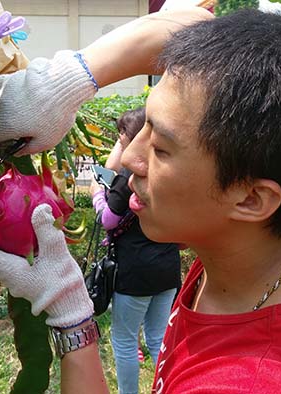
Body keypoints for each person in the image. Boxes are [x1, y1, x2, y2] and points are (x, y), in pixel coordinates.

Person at [0, 7, 281, 393]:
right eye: (144, 123)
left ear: (251, 198)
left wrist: (72, 317)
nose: (131, 159)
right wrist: (105, 58)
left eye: (162, 149)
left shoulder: (249, 383)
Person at [89, 107, 181, 394]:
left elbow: (108, 220)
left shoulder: (130, 178)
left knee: (125, 341)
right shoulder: (171, 172)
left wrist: (95, 194)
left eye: (123, 134)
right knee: (157, 338)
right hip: (167, 267)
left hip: (135, 273)